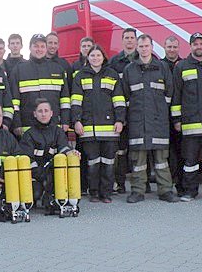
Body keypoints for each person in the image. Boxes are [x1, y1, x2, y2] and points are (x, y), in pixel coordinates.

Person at [123, 34, 178, 203]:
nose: (144, 49)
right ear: (137, 48)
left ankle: (165, 191)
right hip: (138, 121)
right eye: (141, 46)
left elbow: (170, 93)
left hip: (158, 121)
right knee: (138, 160)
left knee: (161, 160)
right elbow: (125, 97)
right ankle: (138, 191)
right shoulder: (129, 70)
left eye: (147, 46)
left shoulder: (162, 68)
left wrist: (162, 112)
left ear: (152, 47)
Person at [171, 33, 202, 202]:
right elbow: (176, 94)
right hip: (190, 122)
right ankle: (189, 191)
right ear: (190, 46)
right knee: (190, 160)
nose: (198, 46)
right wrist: (177, 120)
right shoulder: (182, 66)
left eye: (201, 43)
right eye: (195, 44)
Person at [71, 45, 125, 203]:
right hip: (88, 128)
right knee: (93, 163)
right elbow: (76, 101)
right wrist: (76, 121)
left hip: (109, 129)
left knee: (108, 163)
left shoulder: (112, 75)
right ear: (88, 58)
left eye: (98, 55)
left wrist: (120, 120)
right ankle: (93, 192)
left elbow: (119, 100)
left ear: (104, 57)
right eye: (92, 55)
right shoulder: (80, 76)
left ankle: (106, 193)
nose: (95, 58)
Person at [19, 99, 76, 212]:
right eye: (40, 111)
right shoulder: (29, 135)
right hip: (36, 175)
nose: (43, 114)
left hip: (55, 174)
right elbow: (27, 159)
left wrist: (71, 153)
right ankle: (40, 196)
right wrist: (44, 178)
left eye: (46, 111)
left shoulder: (58, 132)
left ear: (51, 113)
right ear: (35, 114)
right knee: (35, 193)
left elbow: (63, 148)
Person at [9, 33, 70, 136]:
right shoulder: (19, 70)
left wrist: (65, 120)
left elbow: (65, 99)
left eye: (42, 46)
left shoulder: (58, 69)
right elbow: (14, 100)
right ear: (30, 48)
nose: (39, 49)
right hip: (27, 126)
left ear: (46, 48)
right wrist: (16, 123)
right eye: (36, 46)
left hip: (54, 125)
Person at [108, 27, 139, 194]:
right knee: (120, 151)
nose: (129, 40)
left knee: (139, 150)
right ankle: (119, 183)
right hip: (120, 113)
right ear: (122, 41)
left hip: (138, 112)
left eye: (132, 38)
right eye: (126, 37)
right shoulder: (114, 62)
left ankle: (142, 183)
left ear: (136, 40)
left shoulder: (144, 59)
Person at [162, 35, 183, 196]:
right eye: (169, 47)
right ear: (164, 47)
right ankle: (168, 183)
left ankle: (180, 183)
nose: (172, 49)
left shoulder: (184, 64)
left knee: (180, 151)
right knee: (165, 153)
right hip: (162, 116)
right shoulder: (159, 65)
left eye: (175, 47)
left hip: (180, 116)